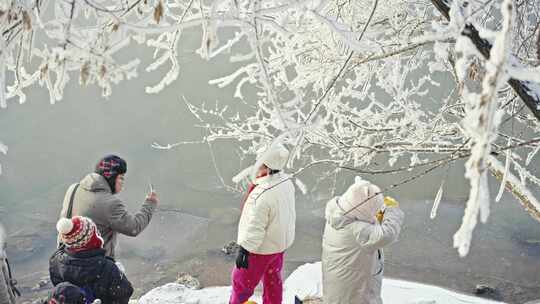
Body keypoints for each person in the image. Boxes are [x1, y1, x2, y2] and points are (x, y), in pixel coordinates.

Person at [229, 144, 296, 304]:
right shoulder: (286, 182)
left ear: (266, 166)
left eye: (259, 163)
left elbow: (255, 227)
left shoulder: (262, 195)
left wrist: (244, 250)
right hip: (278, 246)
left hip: (260, 250)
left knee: (241, 282)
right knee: (273, 280)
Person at [322, 177, 404, 304]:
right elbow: (387, 233)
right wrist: (391, 210)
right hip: (356, 294)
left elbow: (367, 220)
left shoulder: (339, 216)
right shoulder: (358, 231)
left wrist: (379, 212)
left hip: (339, 290)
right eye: (375, 210)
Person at [58, 155, 158, 258]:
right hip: (94, 265)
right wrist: (150, 204)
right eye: (121, 178)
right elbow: (134, 228)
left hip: (65, 259)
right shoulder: (110, 203)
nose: (122, 183)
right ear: (111, 178)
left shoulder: (73, 188)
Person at [50, 216, 134, 304]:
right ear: (90, 241)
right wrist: (120, 274)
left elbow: (59, 287)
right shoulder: (107, 267)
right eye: (95, 233)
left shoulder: (56, 260)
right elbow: (125, 294)